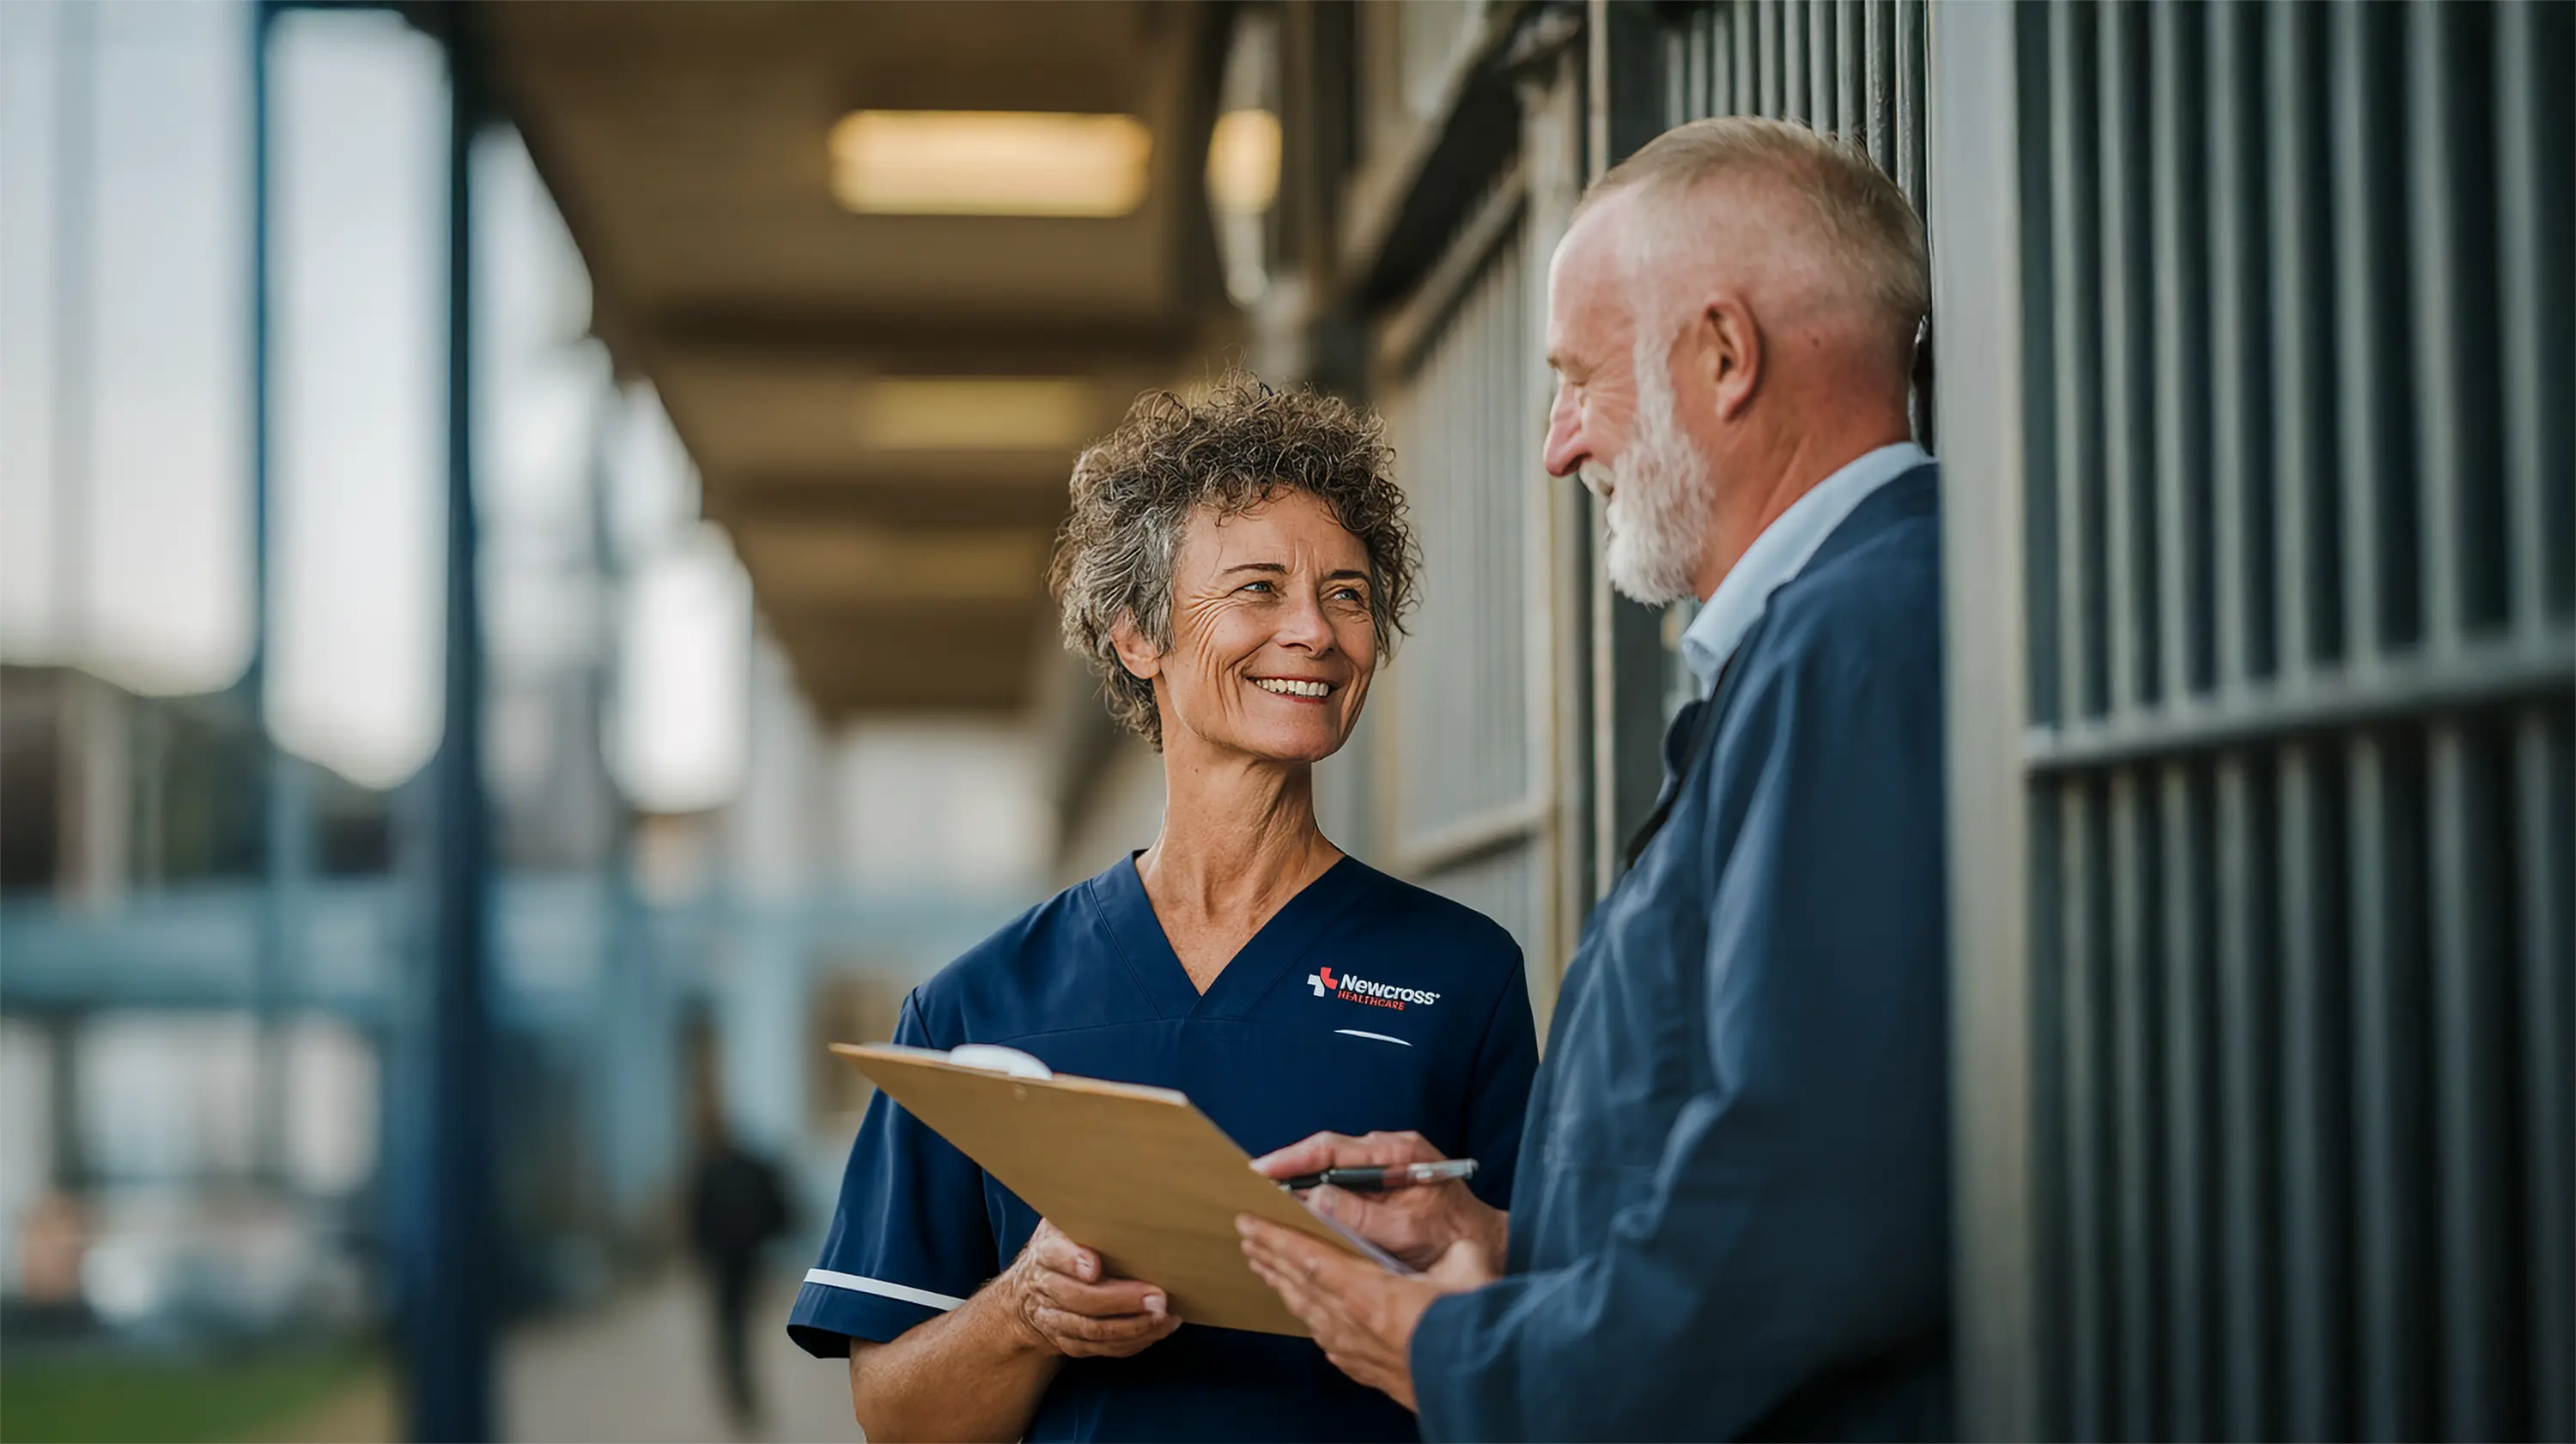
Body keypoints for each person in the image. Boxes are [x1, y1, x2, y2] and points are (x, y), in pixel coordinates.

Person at [1236, 116, 1950, 1442]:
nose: (1561, 445)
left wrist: (1459, 1355)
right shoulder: (1840, 632)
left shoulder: (1859, 643)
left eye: (1578, 377)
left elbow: (1816, 1207)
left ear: (1724, 356)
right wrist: (1505, 1243)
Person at [785, 374, 1540, 1444]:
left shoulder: (1461, 975)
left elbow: (1545, 1344)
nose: (1314, 632)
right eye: (1259, 588)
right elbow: (896, 1418)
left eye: (1348, 594)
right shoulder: (974, 1009)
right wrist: (1026, 1309)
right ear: (1137, 631)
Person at [688, 1121, 793, 1431]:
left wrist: (702, 1252)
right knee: (744, 1329)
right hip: (750, 1259)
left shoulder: (710, 1171)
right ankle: (746, 1395)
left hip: (724, 1264)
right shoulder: (755, 1169)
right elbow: (782, 1211)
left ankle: (739, 1394)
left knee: (730, 1331)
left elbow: (698, 1218)